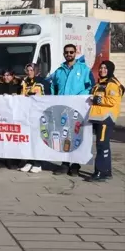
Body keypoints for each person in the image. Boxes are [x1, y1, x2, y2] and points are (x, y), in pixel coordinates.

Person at [50, 44, 94, 176]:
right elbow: (54, 88)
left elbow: (90, 86)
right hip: (62, 109)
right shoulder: (59, 71)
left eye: (71, 52)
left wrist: (79, 98)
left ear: (76, 53)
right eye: (67, 52)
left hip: (78, 109)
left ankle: (75, 165)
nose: (69, 54)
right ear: (64, 54)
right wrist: (53, 100)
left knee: (77, 136)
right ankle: (64, 164)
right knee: (64, 135)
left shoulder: (84, 69)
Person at [86, 61, 123, 182]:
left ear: (110, 69)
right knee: (103, 145)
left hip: (105, 119)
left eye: (105, 68)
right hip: (98, 118)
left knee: (102, 145)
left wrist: (97, 99)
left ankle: (100, 172)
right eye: (101, 68)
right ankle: (106, 171)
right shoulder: (99, 83)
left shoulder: (112, 84)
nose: (102, 70)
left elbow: (113, 101)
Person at [19, 63, 51, 174]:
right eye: (28, 70)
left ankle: (38, 162)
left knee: (38, 139)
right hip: (27, 115)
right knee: (28, 139)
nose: (29, 72)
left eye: (32, 70)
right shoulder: (24, 82)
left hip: (39, 114)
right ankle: (29, 161)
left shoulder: (43, 82)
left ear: (36, 71)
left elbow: (48, 98)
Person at [0, 69, 23, 170]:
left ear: (13, 76)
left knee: (11, 139)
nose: (6, 77)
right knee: (1, 138)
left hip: (13, 117)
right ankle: (0, 160)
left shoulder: (18, 86)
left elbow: (23, 98)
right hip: (1, 116)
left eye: (8, 75)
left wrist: (17, 97)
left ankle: (12, 161)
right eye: (4, 75)